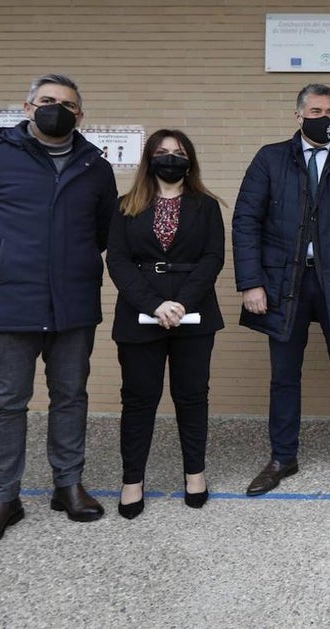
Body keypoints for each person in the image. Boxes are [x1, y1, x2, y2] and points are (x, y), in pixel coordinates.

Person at [0, 74, 117, 555]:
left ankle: (68, 485)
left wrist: (70, 266)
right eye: (48, 101)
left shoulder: (95, 166)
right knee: (6, 402)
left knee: (71, 395)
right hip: (8, 306)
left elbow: (103, 232)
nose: (57, 109)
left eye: (68, 104)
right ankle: (3, 498)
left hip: (73, 305)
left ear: (81, 115)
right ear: (28, 106)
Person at [233, 83, 330, 492]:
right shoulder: (270, 159)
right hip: (284, 283)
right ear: (298, 116)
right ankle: (283, 456)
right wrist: (251, 282)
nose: (325, 118)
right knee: (284, 376)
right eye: (316, 111)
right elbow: (246, 221)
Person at [106, 129, 225, 519]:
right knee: (139, 400)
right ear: (149, 158)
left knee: (192, 398)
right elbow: (118, 262)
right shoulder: (126, 205)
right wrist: (156, 304)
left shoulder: (206, 206)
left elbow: (212, 259)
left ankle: (195, 473)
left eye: (178, 152)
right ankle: (132, 481)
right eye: (162, 152)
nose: (170, 158)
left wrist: (182, 302)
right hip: (140, 316)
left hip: (194, 314)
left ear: (189, 159)